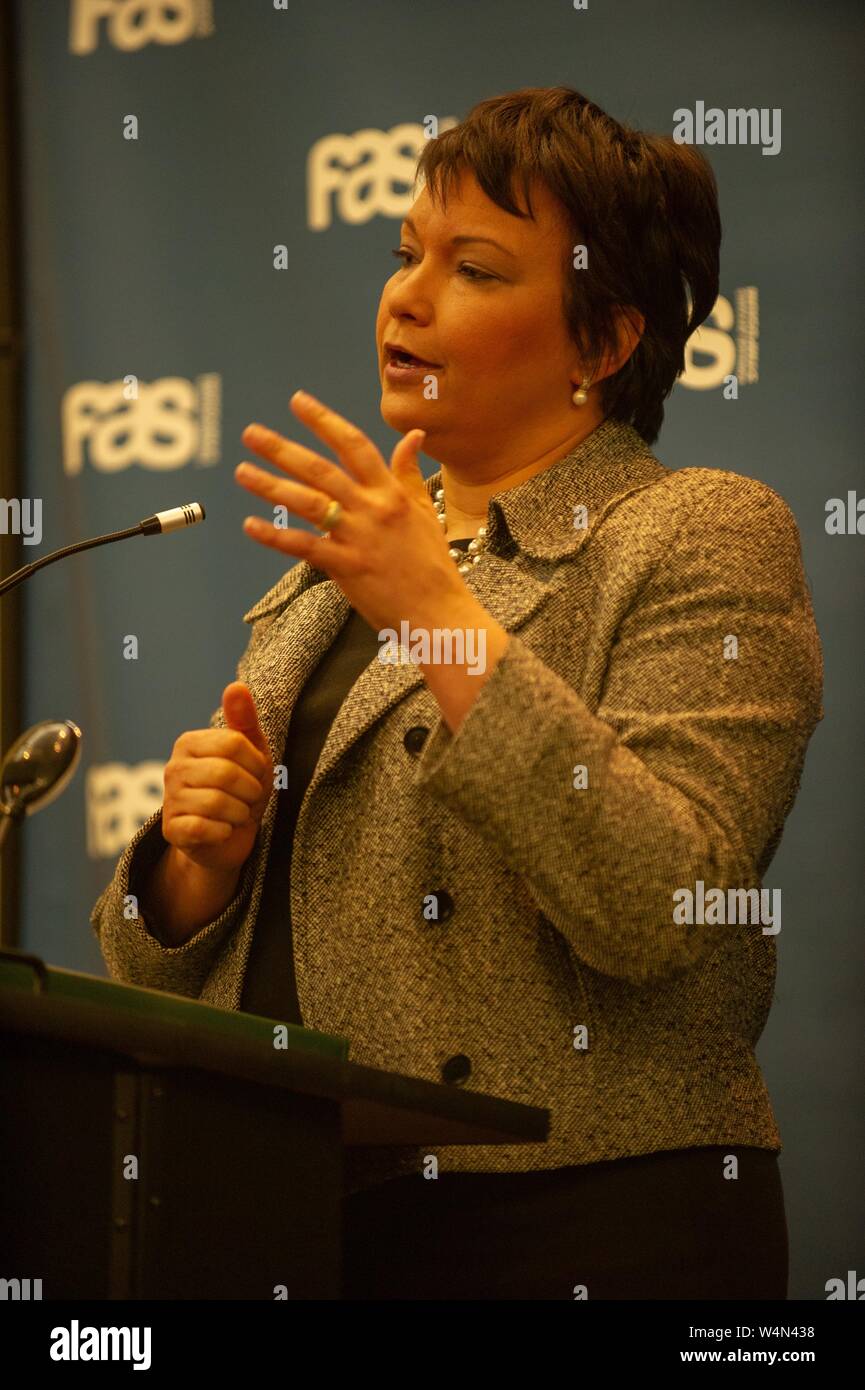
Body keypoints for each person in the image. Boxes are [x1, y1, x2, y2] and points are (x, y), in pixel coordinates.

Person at [92, 86, 823, 1299]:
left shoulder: (696, 531)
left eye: (474, 268)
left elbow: (669, 901)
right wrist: (188, 872)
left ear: (603, 342)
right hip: (289, 1212)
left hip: (577, 1220)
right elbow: (186, 962)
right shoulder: (339, 574)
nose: (407, 295)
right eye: (405, 255)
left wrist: (437, 612)